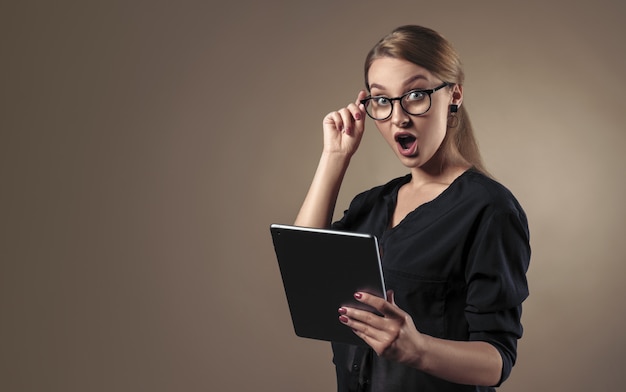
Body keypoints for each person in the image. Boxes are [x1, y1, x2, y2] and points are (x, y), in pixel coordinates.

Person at [293, 25, 530, 392]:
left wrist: (418, 350)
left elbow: (497, 359)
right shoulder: (371, 204)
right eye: (382, 100)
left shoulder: (490, 209)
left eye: (416, 95)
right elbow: (303, 270)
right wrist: (335, 156)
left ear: (454, 94)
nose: (399, 117)